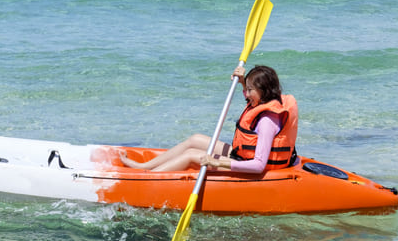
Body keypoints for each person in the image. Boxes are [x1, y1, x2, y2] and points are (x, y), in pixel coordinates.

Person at [119, 65, 298, 174]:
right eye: (246, 88)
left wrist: (217, 162)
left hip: (251, 165)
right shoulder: (265, 100)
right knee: (195, 139)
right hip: (242, 154)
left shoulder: (267, 121)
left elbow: (258, 165)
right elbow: (253, 97)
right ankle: (145, 167)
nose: (246, 93)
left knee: (191, 156)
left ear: (264, 91)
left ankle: (148, 179)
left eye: (250, 90)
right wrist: (243, 81)